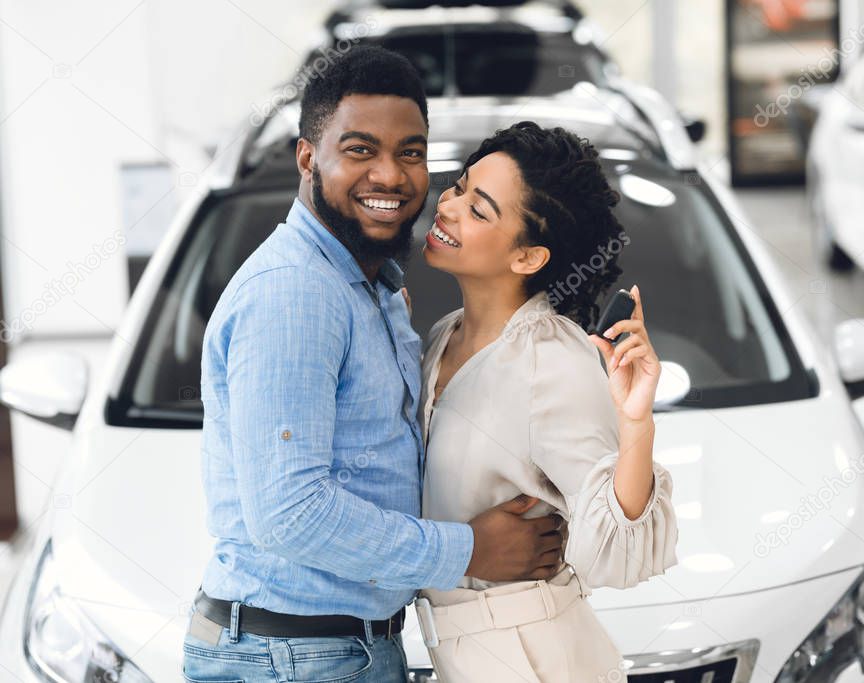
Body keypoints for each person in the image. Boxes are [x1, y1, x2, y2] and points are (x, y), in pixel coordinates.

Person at [183, 47, 566, 683]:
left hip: (326, 651)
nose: (390, 175)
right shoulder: (296, 293)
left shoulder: (368, 287)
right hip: (294, 659)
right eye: (360, 149)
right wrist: (470, 551)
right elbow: (289, 513)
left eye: (410, 151)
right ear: (308, 158)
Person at [417, 122, 679, 682]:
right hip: (467, 658)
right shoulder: (444, 336)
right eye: (460, 186)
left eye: (479, 209)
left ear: (528, 257)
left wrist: (636, 425)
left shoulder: (551, 359)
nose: (449, 205)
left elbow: (617, 542)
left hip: (535, 659)